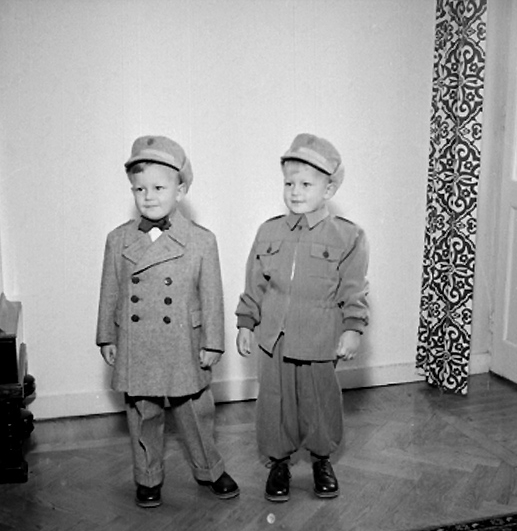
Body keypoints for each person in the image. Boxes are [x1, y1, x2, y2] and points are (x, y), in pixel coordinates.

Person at [96, 135, 239, 508]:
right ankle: (148, 477)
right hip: (136, 341)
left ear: (181, 189)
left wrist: (212, 342)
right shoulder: (118, 240)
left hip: (182, 341)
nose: (148, 196)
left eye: (159, 187)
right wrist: (107, 336)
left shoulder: (201, 241)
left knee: (195, 412)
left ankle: (209, 468)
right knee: (143, 413)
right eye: (139, 188)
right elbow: (110, 291)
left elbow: (212, 296)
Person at [235, 133, 369, 502]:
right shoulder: (269, 231)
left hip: (319, 336)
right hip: (273, 337)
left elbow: (354, 289)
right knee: (274, 401)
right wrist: (246, 322)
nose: (295, 192)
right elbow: (255, 283)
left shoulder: (348, 236)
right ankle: (278, 463)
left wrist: (353, 329)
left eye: (306, 184)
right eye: (289, 183)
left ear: (329, 189)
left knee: (319, 403)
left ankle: (322, 460)